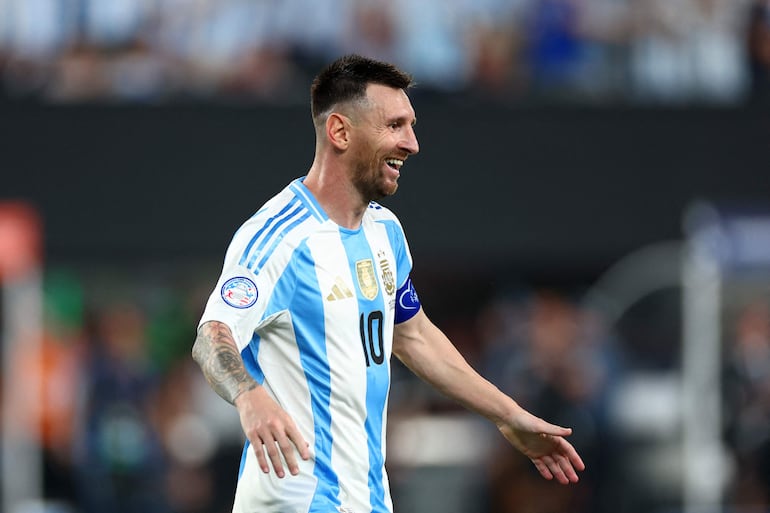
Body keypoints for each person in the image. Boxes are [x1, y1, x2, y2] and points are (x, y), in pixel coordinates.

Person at [191, 53, 585, 513]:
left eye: (411, 125)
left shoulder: (385, 233)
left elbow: (413, 336)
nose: (412, 144)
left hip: (367, 499)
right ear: (339, 131)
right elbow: (212, 335)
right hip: (295, 500)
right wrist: (249, 395)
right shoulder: (279, 237)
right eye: (395, 125)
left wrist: (507, 414)